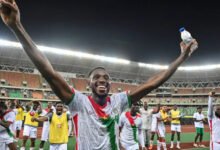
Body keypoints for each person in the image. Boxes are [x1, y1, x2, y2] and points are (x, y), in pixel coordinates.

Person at [0, 0, 198, 149]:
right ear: (89, 84)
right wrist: (17, 27)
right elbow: (48, 72)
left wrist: (182, 58)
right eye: (97, 78)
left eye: (106, 78)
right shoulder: (77, 102)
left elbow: (152, 83)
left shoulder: (118, 102)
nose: (102, 80)